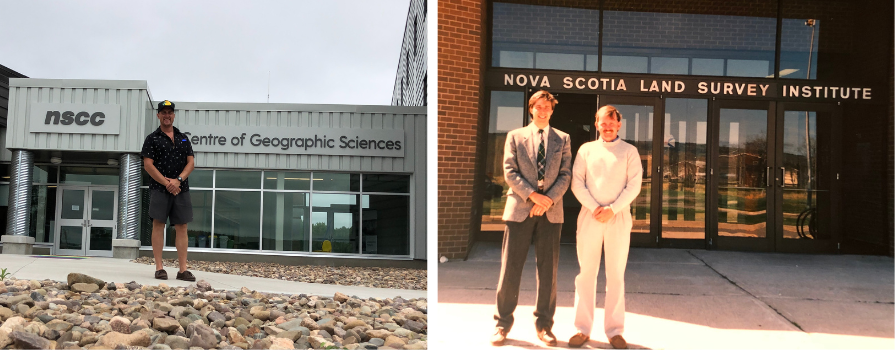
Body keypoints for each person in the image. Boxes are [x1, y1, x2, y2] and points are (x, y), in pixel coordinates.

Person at [491, 90, 572, 347]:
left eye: (548, 107)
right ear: (531, 108)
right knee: (510, 269)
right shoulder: (515, 136)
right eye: (539, 106)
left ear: (552, 110)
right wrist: (533, 197)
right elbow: (509, 171)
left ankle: (545, 326)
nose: (543, 110)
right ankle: (502, 324)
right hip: (519, 210)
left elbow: (566, 174)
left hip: (551, 211)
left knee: (549, 272)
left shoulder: (563, 138)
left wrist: (547, 200)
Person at [568, 105, 643, 349]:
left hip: (618, 217)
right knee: (586, 274)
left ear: (619, 125)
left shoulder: (630, 151)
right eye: (603, 122)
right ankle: (582, 329)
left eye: (612, 122)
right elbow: (577, 182)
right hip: (590, 216)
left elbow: (634, 185)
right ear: (597, 123)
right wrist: (595, 208)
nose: (608, 126)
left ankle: (614, 331)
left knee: (615, 276)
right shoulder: (586, 150)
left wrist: (613, 209)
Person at [141, 100, 196, 282]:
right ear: (158, 115)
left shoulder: (182, 138)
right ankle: (159, 268)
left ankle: (182, 270)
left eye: (170, 112)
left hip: (181, 189)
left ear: (173, 115)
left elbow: (191, 163)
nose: (167, 115)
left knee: (182, 227)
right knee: (159, 225)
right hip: (159, 189)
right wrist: (167, 183)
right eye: (163, 112)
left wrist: (178, 180)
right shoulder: (152, 138)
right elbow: (148, 165)